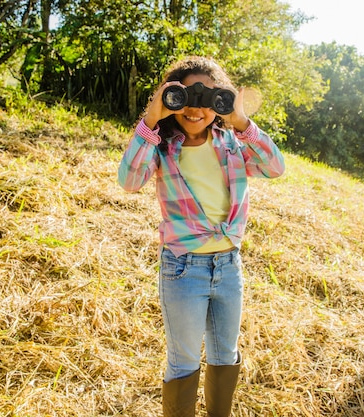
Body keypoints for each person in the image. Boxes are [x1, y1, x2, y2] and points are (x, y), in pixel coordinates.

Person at [117, 56, 285, 416]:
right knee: (185, 361)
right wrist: (151, 118)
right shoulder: (162, 149)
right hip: (182, 269)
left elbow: (274, 167)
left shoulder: (231, 145)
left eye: (208, 99)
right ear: (172, 100)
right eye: (186, 98)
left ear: (220, 103)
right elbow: (129, 181)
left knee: (226, 355)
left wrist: (241, 120)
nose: (195, 109)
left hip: (228, 266)